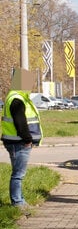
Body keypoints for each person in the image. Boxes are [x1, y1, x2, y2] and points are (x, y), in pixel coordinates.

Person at [2, 69, 43, 212]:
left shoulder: (17, 97)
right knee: (18, 174)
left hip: (16, 141)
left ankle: (20, 200)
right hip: (18, 142)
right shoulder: (17, 99)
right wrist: (27, 139)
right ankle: (17, 202)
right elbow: (20, 122)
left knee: (18, 173)